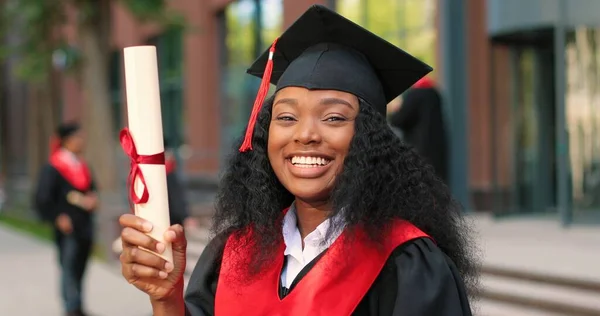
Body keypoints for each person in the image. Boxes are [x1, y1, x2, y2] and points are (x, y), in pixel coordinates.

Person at [118, 5, 478, 315]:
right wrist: (166, 300)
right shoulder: (234, 253)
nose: (304, 134)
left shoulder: (407, 264)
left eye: (334, 117)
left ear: (370, 139)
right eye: (286, 117)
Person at [34, 122, 98, 316]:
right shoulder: (54, 167)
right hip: (67, 228)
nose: (82, 141)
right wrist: (57, 216)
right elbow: (43, 198)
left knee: (80, 267)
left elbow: (92, 189)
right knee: (69, 267)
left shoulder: (82, 165)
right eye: (78, 137)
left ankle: (78, 305)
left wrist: (93, 199)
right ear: (67, 141)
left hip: (84, 224)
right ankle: (71, 308)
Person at [389, 76, 449, 184]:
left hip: (418, 149)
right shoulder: (435, 94)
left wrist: (395, 110)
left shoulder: (414, 95)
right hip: (436, 151)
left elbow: (399, 120)